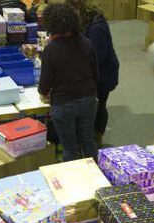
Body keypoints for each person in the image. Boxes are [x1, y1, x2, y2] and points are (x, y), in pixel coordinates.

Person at [38, 4, 98, 161]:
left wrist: (44, 93)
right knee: (88, 141)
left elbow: (44, 86)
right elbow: (96, 75)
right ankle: (98, 176)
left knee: (70, 148)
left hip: (63, 103)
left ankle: (74, 181)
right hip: (88, 99)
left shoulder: (51, 49)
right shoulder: (87, 43)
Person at [67, 0, 119, 146]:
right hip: (94, 72)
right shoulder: (86, 23)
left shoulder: (97, 27)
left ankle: (97, 139)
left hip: (103, 75)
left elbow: (96, 57)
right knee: (93, 106)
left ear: (79, 8)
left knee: (99, 105)